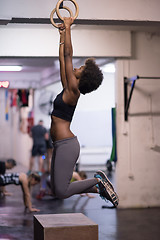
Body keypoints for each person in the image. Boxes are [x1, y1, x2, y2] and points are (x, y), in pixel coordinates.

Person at [50, 17, 119, 207]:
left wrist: (69, 28)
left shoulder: (73, 91)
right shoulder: (68, 89)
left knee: (61, 192)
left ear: (83, 77)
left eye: (81, 68)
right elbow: (62, 59)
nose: (77, 67)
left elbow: (68, 56)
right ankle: (99, 189)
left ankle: (98, 180)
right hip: (61, 144)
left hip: (66, 145)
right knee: (56, 188)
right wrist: (62, 35)